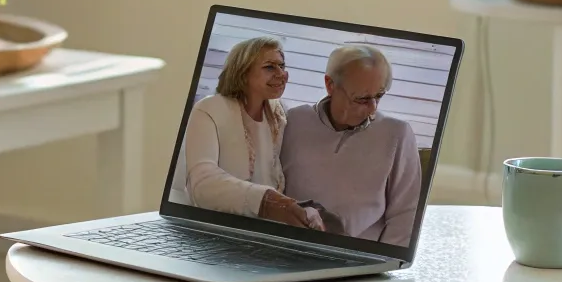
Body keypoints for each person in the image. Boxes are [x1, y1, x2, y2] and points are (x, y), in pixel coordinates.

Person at [170, 35, 320, 228]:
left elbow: (274, 180)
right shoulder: (209, 109)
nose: (281, 74)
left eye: (282, 66)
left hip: (261, 233)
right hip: (214, 230)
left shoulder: (277, 113)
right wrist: (269, 202)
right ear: (242, 72)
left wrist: (304, 210)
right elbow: (203, 185)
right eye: (269, 67)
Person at [280, 44, 423, 246]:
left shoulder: (397, 133)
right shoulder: (292, 121)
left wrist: (379, 265)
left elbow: (406, 215)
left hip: (360, 260)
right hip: (290, 250)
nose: (373, 109)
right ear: (330, 85)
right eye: (362, 98)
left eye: (379, 95)